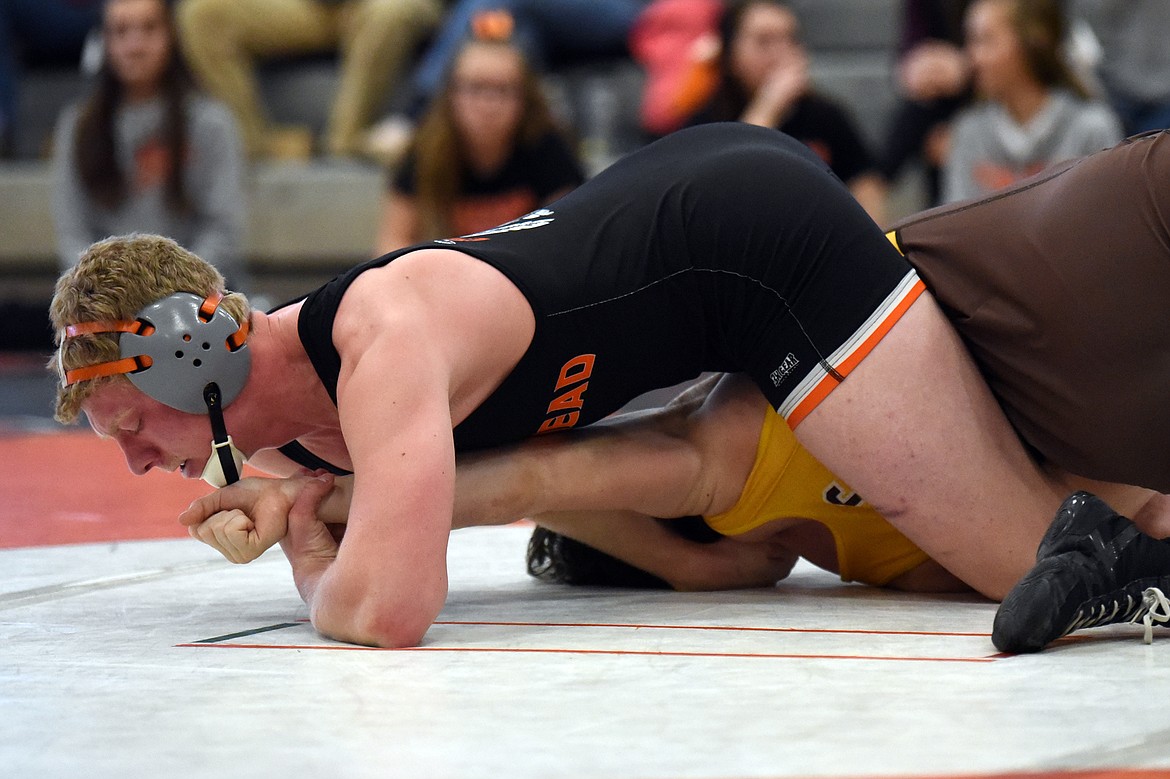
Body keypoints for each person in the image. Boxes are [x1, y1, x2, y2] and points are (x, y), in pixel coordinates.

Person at [51, 123, 1170, 650]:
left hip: (753, 247)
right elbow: (711, 554)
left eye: (129, 425)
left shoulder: (381, 336)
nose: (142, 459)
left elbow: (389, 607)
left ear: (187, 350)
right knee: (727, 543)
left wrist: (305, 551)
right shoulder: (305, 444)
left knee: (1019, 564)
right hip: (695, 237)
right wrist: (302, 506)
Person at [50, 0, 247, 289]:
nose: (135, 45)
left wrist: (167, 291)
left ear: (172, 35)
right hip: (107, 306)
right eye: (121, 31)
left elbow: (223, 229)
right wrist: (114, 293)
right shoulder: (77, 127)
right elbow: (72, 235)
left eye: (149, 28)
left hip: (197, 302)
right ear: (104, 41)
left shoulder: (211, 123)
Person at [374, 33, 584, 253]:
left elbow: (571, 239)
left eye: (503, 89)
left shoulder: (547, 147)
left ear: (526, 99)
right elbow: (391, 244)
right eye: (475, 88)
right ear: (451, 95)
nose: (489, 105)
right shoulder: (424, 149)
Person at [684, 0, 886, 223]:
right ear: (730, 53)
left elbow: (866, 183)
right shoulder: (704, 122)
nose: (781, 52)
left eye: (790, 39)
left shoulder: (826, 116)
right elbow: (720, 191)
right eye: (764, 41)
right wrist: (768, 107)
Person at [173, 0, 444, 159]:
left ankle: (346, 139)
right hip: (312, 7)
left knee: (392, 12)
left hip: (383, 6)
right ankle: (255, 146)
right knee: (203, 14)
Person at [940, 0, 1122, 203]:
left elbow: (1109, 221)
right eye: (970, 41)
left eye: (985, 40)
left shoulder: (1091, 129)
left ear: (1032, 42)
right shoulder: (969, 132)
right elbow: (956, 227)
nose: (972, 57)